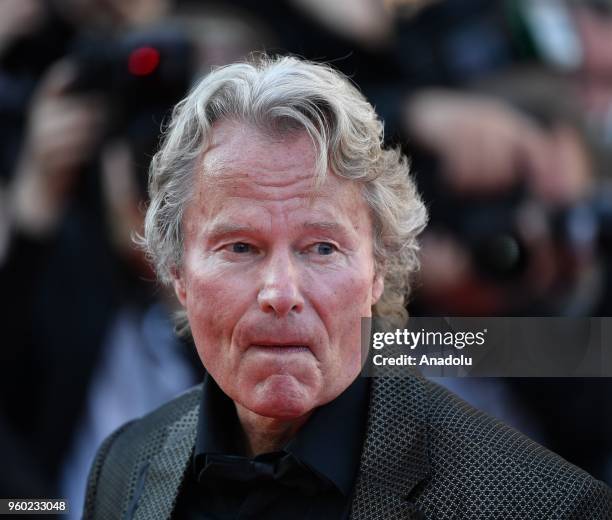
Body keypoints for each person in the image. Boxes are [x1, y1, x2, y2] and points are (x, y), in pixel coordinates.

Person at [84, 55, 612, 519]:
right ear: (175, 271)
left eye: (322, 248)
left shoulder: (537, 502)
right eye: (240, 248)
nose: (280, 291)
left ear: (380, 267)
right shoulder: (123, 467)